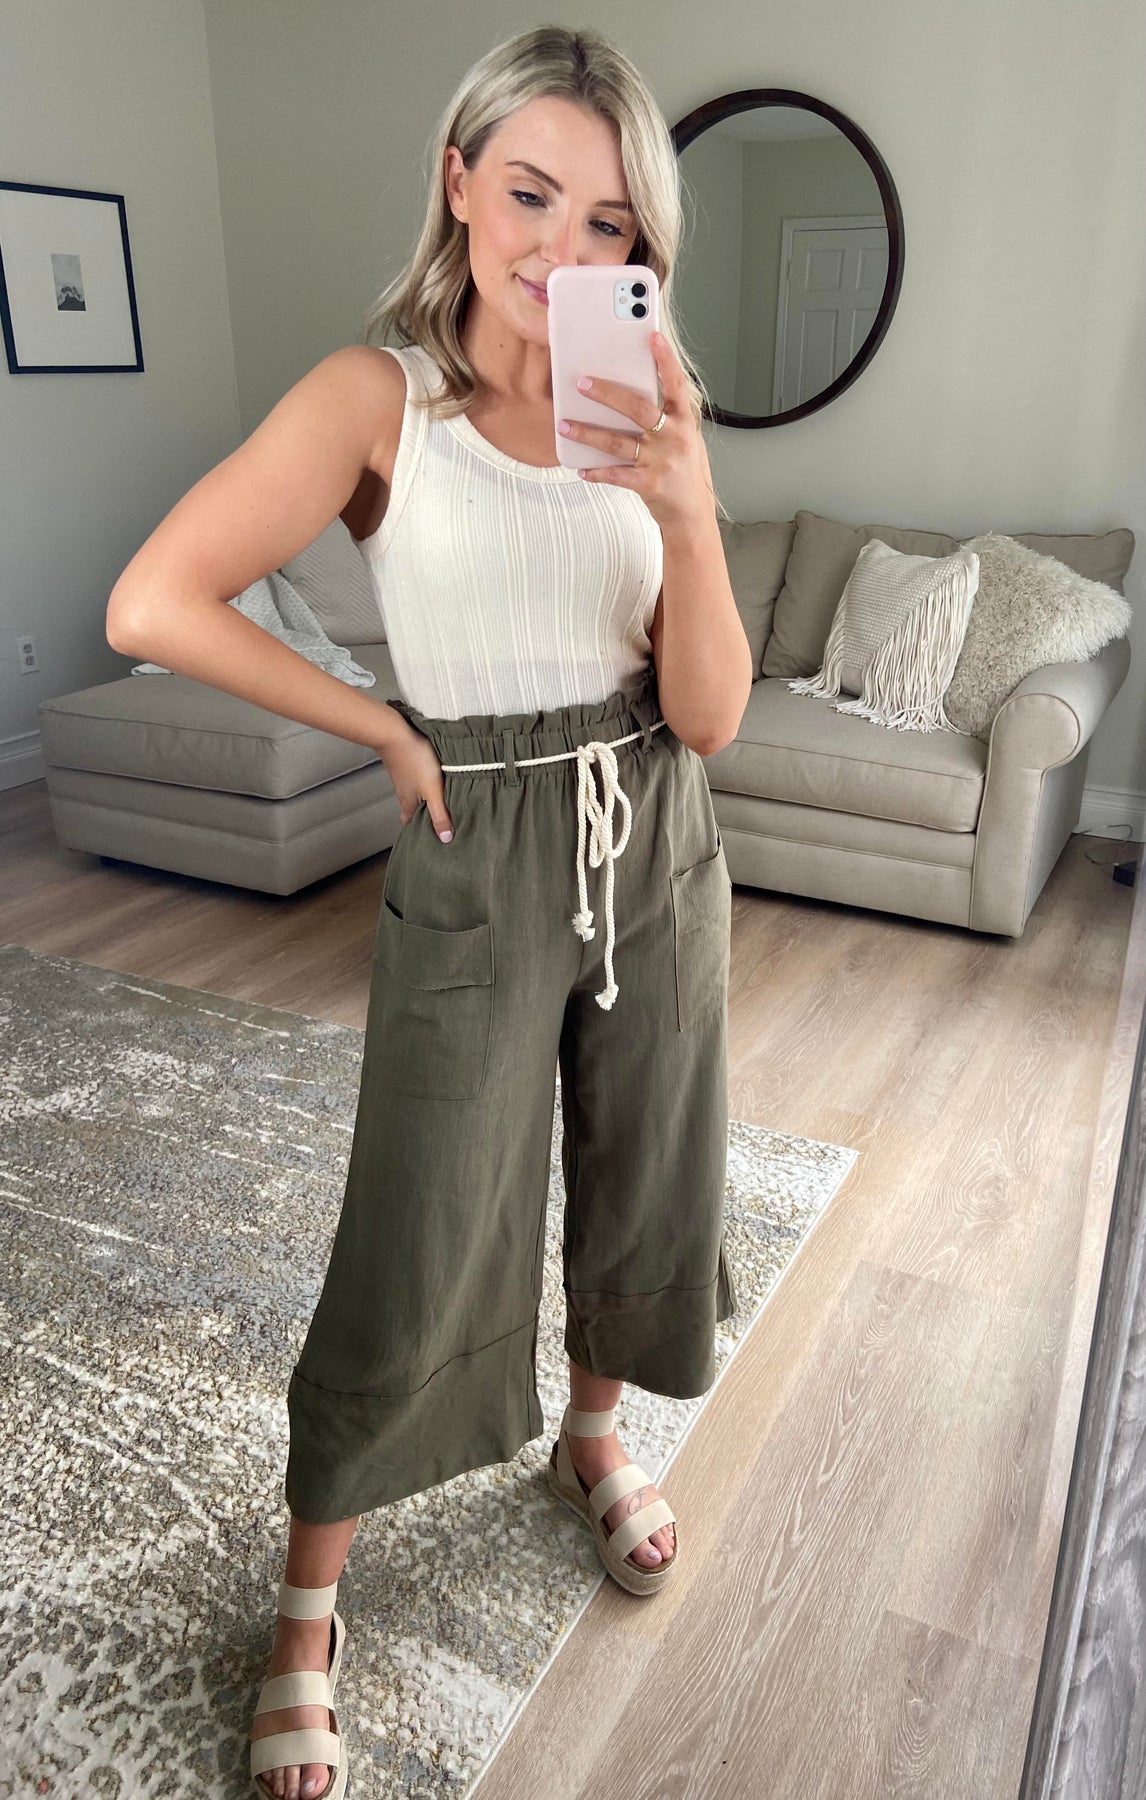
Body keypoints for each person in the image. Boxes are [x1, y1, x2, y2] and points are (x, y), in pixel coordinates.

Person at [107, 25, 753, 1800]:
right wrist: (379, 726)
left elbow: (708, 715)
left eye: (610, 222)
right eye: (530, 193)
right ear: (457, 181)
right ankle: (309, 1599)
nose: (563, 247)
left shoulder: (654, 397)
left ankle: (592, 1439)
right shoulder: (371, 400)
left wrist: (691, 511)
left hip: (653, 822)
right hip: (475, 836)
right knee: (419, 1215)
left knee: (648, 1162)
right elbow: (154, 601)